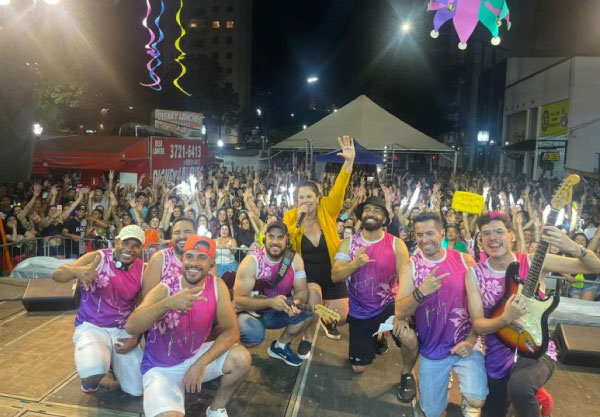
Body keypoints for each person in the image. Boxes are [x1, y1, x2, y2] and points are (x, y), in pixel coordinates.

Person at [465, 212, 600, 417]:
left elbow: (595, 266)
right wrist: (505, 318)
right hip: (497, 354)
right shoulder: (475, 274)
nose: (493, 237)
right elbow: (478, 324)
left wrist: (573, 247)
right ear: (480, 239)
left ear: (512, 235)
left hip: (536, 348)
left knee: (519, 387)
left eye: (499, 231)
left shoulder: (534, 262)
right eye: (486, 233)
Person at [125, 235, 251, 417]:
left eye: (202, 258)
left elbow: (231, 331)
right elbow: (131, 326)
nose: (194, 263)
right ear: (182, 259)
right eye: (190, 256)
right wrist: (167, 304)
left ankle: (216, 409)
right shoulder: (165, 288)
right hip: (161, 368)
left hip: (194, 356)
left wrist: (201, 363)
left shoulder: (217, 285)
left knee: (241, 358)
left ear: (211, 264)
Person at [395, 212, 487, 417]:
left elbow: (479, 306)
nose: (424, 239)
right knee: (433, 412)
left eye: (430, 233)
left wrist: (472, 339)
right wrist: (421, 292)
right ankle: (433, 399)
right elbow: (399, 310)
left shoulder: (464, 260)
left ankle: (467, 401)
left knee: (476, 399)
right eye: (419, 234)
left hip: (466, 343)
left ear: (442, 233)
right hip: (433, 348)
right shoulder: (411, 266)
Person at [331, 196, 419, 403]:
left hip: (389, 306)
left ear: (385, 219)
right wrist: (354, 264)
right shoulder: (348, 243)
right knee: (358, 368)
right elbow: (335, 275)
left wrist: (402, 315)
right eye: (368, 209)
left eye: (377, 211)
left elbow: (405, 282)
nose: (371, 213)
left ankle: (407, 375)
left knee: (410, 339)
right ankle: (378, 336)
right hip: (360, 311)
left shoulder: (397, 245)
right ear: (361, 215)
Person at [52, 225, 146, 396]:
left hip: (122, 329)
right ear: (117, 242)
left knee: (137, 389)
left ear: (141, 249)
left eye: (136, 245)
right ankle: (91, 381)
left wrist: (135, 338)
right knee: (93, 369)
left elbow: (142, 308)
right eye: (125, 242)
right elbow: (58, 275)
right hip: (92, 325)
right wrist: (77, 271)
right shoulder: (99, 257)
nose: (129, 249)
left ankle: (113, 366)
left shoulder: (143, 269)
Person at [283, 135, 355, 347]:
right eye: (301, 198)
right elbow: (286, 240)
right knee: (314, 298)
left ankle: (323, 314)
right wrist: (298, 222)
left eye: (308, 197)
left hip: (332, 273)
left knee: (340, 318)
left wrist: (348, 163)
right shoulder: (291, 217)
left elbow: (340, 189)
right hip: (308, 276)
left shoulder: (327, 209)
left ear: (318, 197)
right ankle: (307, 338)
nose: (304, 201)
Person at [234, 221, 313, 367]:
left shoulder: (295, 259)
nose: (275, 242)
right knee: (254, 335)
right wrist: (270, 302)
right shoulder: (251, 262)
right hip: (251, 312)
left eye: (280, 237)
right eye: (271, 237)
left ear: (286, 240)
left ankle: (280, 346)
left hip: (278, 309)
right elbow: (238, 300)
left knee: (308, 313)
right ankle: (232, 352)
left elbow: (302, 290)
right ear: (265, 238)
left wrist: (296, 302)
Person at [142, 217, 196, 297]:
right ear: (172, 236)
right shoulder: (160, 258)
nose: (182, 236)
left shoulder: (205, 261)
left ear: (196, 234)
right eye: (177, 232)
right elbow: (147, 299)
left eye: (187, 231)